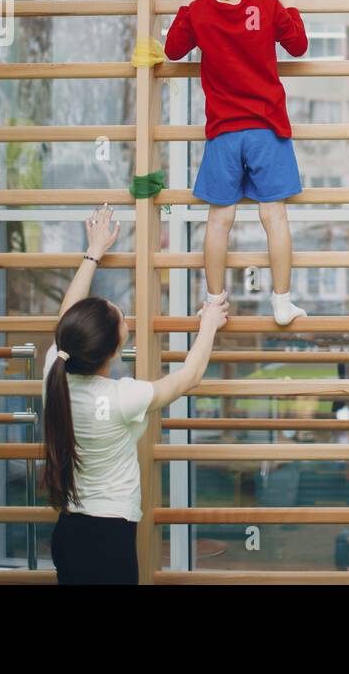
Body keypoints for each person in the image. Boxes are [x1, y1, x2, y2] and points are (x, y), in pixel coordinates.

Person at [41, 203, 228, 584]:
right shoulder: (121, 398)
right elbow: (189, 377)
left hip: (70, 533)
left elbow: (68, 319)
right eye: (121, 318)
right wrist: (208, 323)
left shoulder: (53, 370)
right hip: (109, 539)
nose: (124, 317)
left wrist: (94, 251)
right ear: (113, 351)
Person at [163, 0, 309, 325]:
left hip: (223, 134)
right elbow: (298, 45)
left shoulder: (199, 11)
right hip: (266, 131)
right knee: (274, 216)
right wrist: (290, 5)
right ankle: (281, 301)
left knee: (219, 219)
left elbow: (173, 51)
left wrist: (187, 6)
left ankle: (214, 302)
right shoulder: (268, 4)